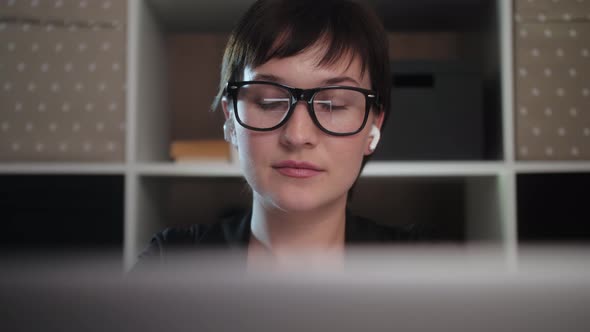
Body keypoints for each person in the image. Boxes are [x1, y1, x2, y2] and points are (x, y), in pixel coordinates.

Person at [137, 0, 419, 269]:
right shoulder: (169, 262)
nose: (297, 135)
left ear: (374, 126)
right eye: (269, 102)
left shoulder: (430, 264)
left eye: (332, 104)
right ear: (231, 118)